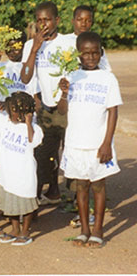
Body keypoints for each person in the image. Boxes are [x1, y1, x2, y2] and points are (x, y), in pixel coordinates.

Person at [58, 32, 122, 248]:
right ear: (78, 55)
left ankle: (98, 230)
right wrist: (64, 93)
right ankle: (84, 230)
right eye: (86, 53)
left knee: (98, 187)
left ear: (101, 52)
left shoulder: (108, 78)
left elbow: (113, 112)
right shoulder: (71, 76)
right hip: (75, 143)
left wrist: (107, 143)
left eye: (95, 53)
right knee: (81, 187)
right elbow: (61, 110)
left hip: (97, 145)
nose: (91, 57)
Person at [20, 2, 75, 205]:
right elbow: (25, 78)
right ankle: (44, 194)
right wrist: (35, 49)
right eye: (39, 20)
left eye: (47, 20)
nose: (43, 24)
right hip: (45, 108)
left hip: (67, 106)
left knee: (70, 150)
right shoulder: (30, 45)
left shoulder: (68, 43)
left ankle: (79, 201)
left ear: (57, 20)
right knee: (44, 153)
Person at [0, 92, 43, 246]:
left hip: (23, 174)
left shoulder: (35, 129)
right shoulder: (6, 123)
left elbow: (32, 141)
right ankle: (15, 230)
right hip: (8, 173)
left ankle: (25, 231)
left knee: (25, 205)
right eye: (12, 110)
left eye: (18, 111)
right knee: (10, 205)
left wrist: (28, 123)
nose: (14, 114)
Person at [64, 5, 111, 71]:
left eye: (88, 21)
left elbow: (105, 69)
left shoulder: (95, 42)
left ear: (92, 23)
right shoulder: (64, 41)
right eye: (79, 20)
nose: (83, 24)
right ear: (73, 21)